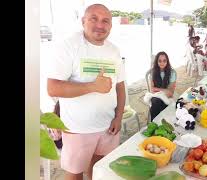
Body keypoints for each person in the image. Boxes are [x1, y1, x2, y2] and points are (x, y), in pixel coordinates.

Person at [46, 4, 125, 180]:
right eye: (93, 19)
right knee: (75, 173)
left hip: (107, 125)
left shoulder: (114, 50)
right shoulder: (69, 46)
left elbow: (120, 86)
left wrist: (119, 116)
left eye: (106, 21)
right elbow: (53, 88)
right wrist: (92, 86)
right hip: (77, 128)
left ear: (111, 26)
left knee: (98, 169)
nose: (100, 25)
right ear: (83, 21)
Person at [150, 51, 177, 120]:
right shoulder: (153, 72)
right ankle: (158, 121)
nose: (162, 63)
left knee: (156, 104)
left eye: (164, 61)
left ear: (167, 61)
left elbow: (170, 93)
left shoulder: (172, 73)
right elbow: (152, 90)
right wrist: (164, 90)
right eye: (160, 61)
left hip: (166, 97)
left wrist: (158, 89)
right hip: (156, 97)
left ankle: (154, 122)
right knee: (156, 102)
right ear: (157, 62)